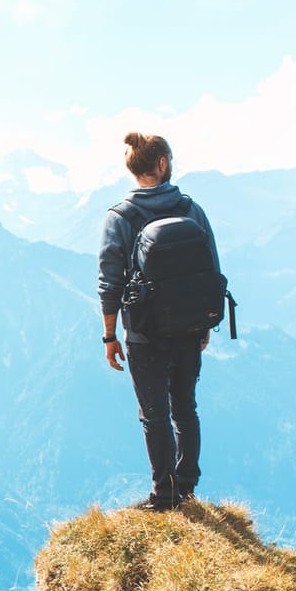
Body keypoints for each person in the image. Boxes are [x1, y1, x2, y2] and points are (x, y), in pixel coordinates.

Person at [97, 132, 224, 512]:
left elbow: (109, 282)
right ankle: (186, 487)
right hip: (188, 328)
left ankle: (164, 496)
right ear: (163, 164)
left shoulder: (120, 218)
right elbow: (212, 270)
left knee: (154, 414)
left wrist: (109, 336)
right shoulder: (191, 210)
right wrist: (203, 323)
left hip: (144, 333)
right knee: (185, 407)